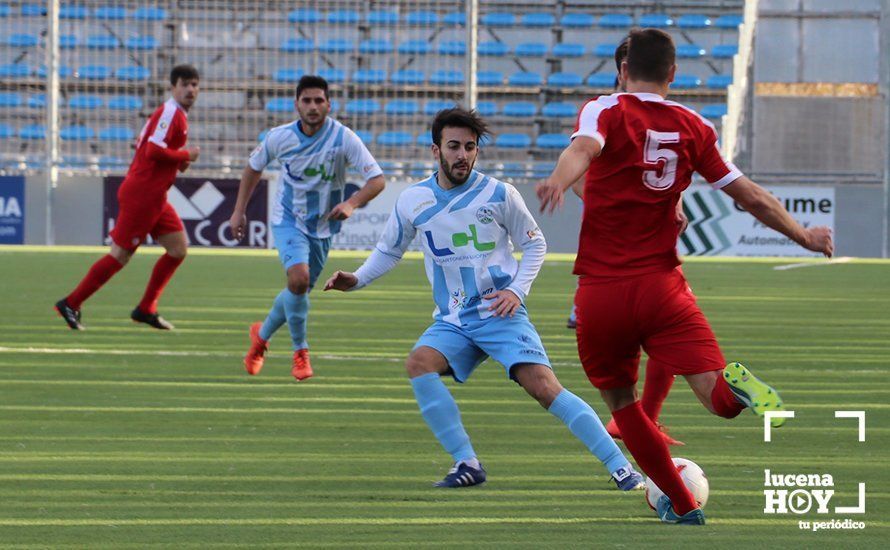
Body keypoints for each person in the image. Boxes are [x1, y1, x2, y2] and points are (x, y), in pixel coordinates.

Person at [537, 29, 833, 524]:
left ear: (623, 70)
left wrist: (558, 180)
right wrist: (803, 235)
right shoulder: (694, 125)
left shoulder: (604, 109)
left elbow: (584, 150)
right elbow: (750, 196)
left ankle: (682, 504)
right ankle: (738, 388)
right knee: (718, 400)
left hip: (604, 291)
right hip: (663, 289)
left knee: (623, 404)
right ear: (674, 73)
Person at [324, 108, 643, 490]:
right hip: (454, 319)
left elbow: (535, 243)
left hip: (500, 312)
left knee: (544, 388)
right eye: (454, 146)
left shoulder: (499, 193)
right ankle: (467, 463)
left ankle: (621, 468)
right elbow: (390, 250)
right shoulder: (413, 199)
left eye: (470, 147)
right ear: (435, 150)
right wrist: (357, 278)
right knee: (420, 364)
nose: (462, 155)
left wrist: (515, 290)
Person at [568, 37, 686, 446]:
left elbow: (665, 167)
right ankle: (639, 417)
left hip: (647, 245)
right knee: (667, 322)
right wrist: (618, 207)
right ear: (621, 70)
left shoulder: (653, 117)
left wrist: (672, 203)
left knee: (668, 325)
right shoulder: (604, 113)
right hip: (615, 251)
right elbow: (581, 175)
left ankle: (642, 417)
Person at [230, 75, 385, 381]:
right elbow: (253, 168)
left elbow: (377, 180)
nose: (313, 107)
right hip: (288, 219)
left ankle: (260, 338)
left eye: (319, 101)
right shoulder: (279, 137)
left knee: (297, 289)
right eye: (307, 101)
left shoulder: (343, 138)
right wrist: (238, 211)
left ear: (328, 104)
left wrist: (351, 203)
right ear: (296, 104)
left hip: (323, 228)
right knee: (299, 279)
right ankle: (300, 352)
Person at [55, 65, 201, 330]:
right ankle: (71, 303)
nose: (191, 90)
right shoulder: (171, 112)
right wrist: (184, 156)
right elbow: (153, 151)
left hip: (155, 195)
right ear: (173, 87)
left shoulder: (177, 115)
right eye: (185, 84)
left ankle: (146, 308)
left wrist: (178, 162)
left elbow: (149, 147)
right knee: (120, 255)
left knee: (178, 249)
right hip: (143, 194)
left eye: (195, 85)